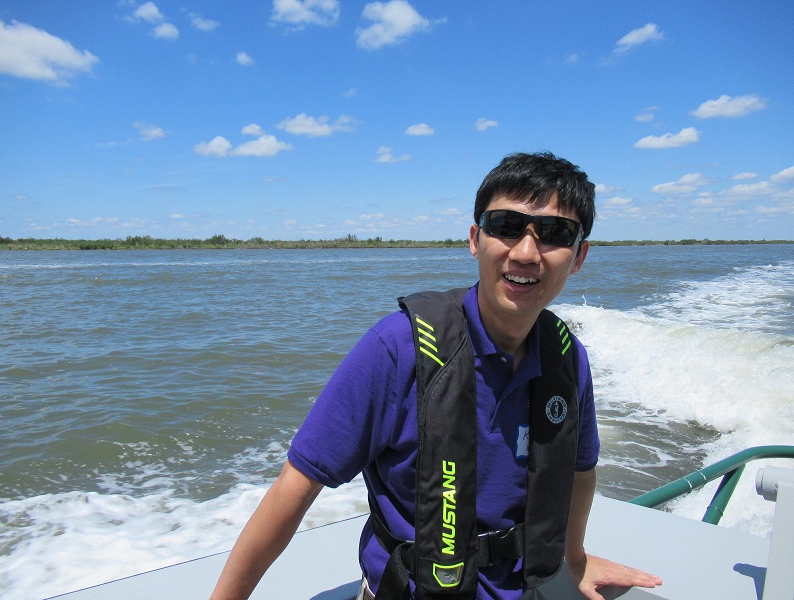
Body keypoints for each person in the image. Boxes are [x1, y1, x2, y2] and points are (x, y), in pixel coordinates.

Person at [210, 152, 663, 600]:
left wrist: (576, 559)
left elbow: (581, 471)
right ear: (474, 239)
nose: (526, 253)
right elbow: (297, 484)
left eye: (554, 234)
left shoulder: (566, 357)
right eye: (505, 226)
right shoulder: (399, 348)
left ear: (579, 255)